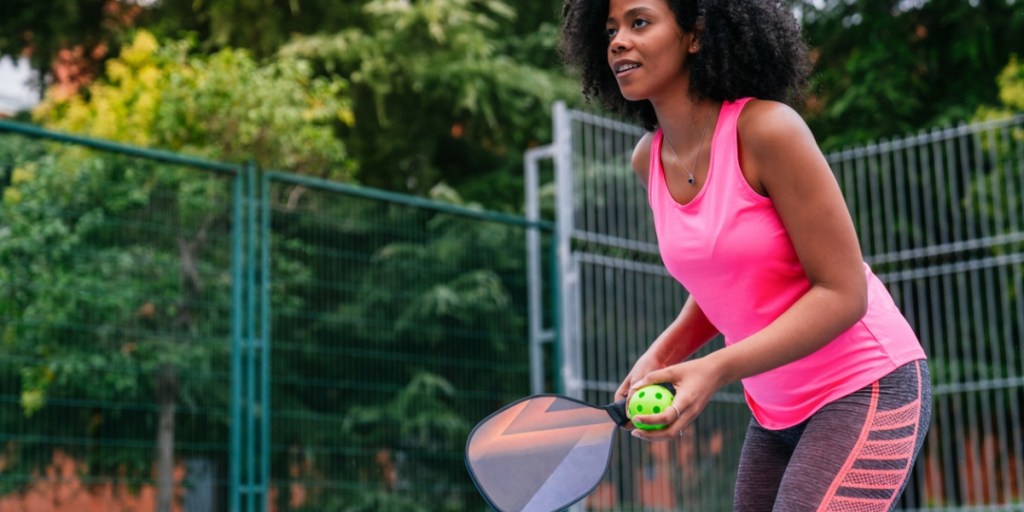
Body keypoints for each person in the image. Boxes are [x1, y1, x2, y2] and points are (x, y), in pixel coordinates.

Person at [560, 0, 932, 510]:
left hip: (864, 386)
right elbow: (726, 286)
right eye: (609, 30)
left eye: (639, 22)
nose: (618, 41)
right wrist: (663, 357)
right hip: (775, 409)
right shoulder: (647, 160)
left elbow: (845, 294)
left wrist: (712, 369)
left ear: (695, 35)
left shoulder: (767, 130)